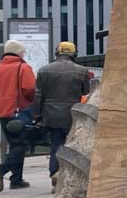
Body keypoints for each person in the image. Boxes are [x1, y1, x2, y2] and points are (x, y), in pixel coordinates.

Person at [34, 41, 90, 187]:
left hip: (51, 115)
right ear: (74, 54)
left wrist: (37, 117)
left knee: (56, 146)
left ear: (57, 52)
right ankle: (69, 176)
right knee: (72, 145)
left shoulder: (44, 70)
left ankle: (55, 173)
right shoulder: (82, 70)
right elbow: (85, 92)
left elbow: (38, 96)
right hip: (73, 115)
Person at [0, 40, 36, 191]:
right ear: (19, 52)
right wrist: (31, 103)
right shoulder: (23, 67)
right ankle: (1, 169)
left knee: (14, 145)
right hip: (18, 113)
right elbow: (30, 89)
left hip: (3, 115)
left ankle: (16, 180)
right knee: (20, 145)